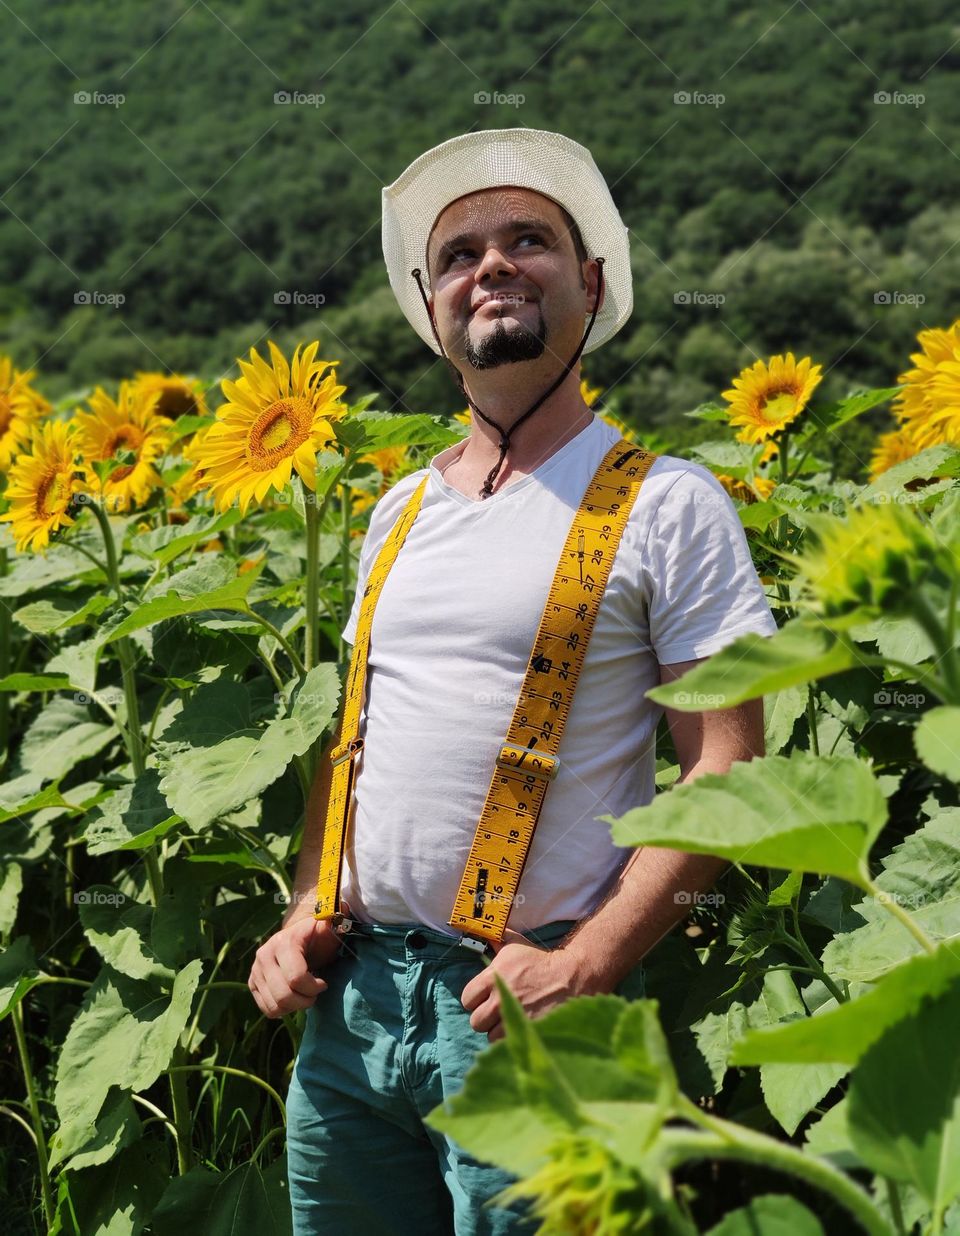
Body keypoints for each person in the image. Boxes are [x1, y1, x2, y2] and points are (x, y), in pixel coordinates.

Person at [248, 128, 779, 1235]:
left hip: (529, 1013)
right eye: (457, 254)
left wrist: (587, 964)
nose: (489, 265)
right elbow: (356, 752)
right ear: (433, 310)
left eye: (526, 240)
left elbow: (728, 773)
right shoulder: (397, 514)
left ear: (589, 286)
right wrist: (303, 910)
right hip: (351, 1012)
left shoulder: (670, 504)